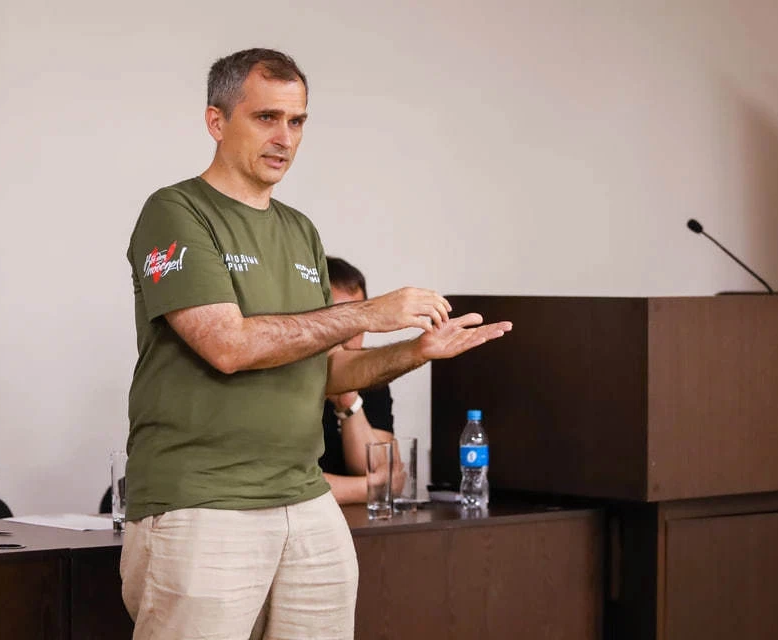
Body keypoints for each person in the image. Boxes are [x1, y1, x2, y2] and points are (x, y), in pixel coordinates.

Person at [121, 47, 512, 640]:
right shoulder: (175, 211)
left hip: (305, 499)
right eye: (266, 117)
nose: (285, 138)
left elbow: (324, 373)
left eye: (297, 121)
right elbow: (228, 345)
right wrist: (368, 313)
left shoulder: (300, 229)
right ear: (216, 121)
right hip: (204, 502)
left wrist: (415, 351)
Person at [318, 256, 397, 504]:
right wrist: (371, 487)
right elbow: (285, 486)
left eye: (358, 321)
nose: (350, 335)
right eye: (341, 321)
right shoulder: (282, 378)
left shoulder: (371, 376)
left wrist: (348, 402)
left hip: (356, 519)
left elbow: (381, 470)